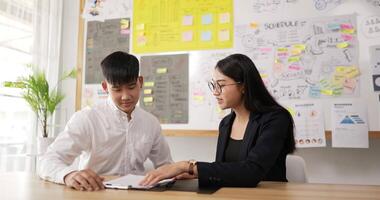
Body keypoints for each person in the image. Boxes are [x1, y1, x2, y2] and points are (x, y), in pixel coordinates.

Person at [140, 53, 295, 188]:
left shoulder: (276, 119)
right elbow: (225, 169)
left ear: (243, 86)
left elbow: (252, 172)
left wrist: (186, 166)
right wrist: (196, 174)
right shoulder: (226, 123)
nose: (215, 92)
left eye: (221, 85)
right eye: (213, 85)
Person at [38, 51, 173, 191]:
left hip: (137, 194)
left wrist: (181, 170)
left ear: (141, 82)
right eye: (117, 89)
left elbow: (166, 166)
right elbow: (47, 160)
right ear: (105, 87)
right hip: (95, 192)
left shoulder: (150, 123)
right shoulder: (87, 119)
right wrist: (67, 175)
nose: (125, 96)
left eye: (131, 87)